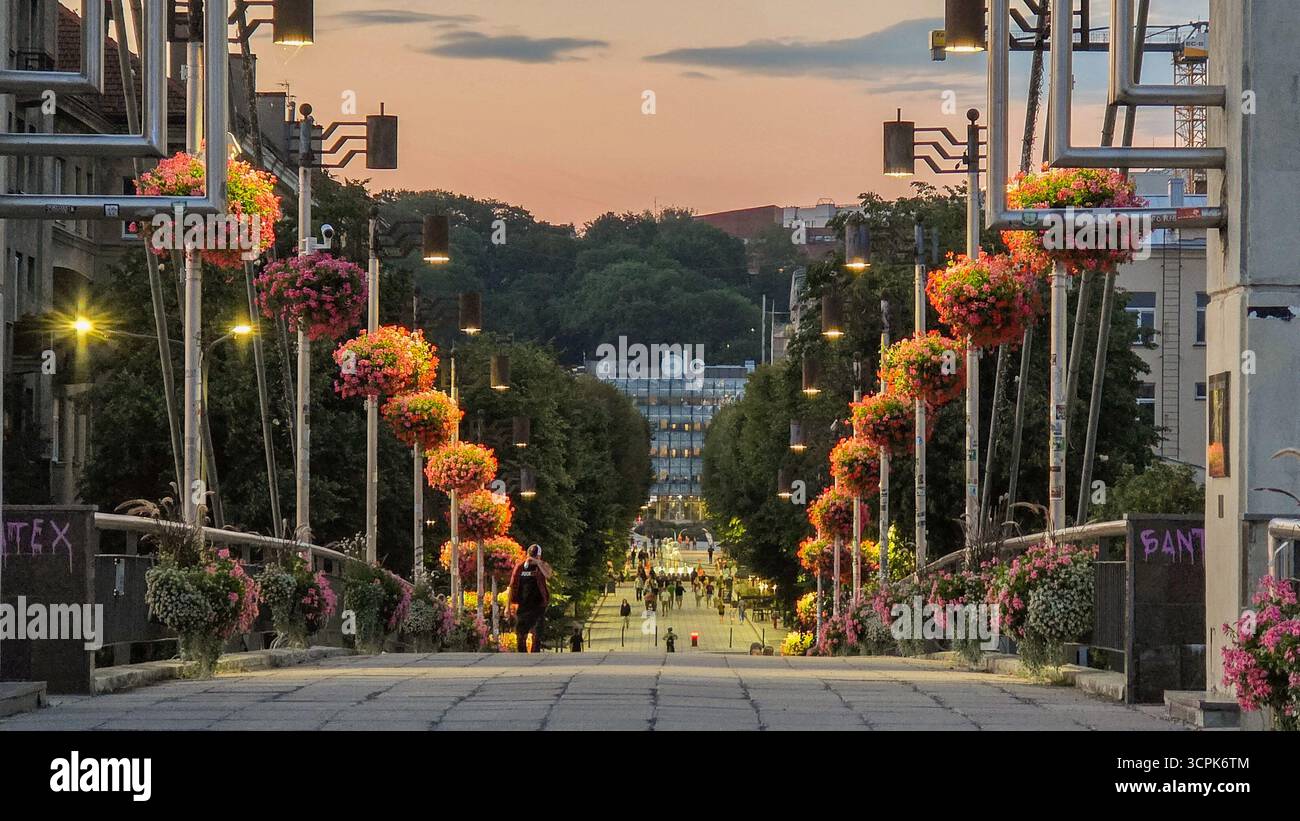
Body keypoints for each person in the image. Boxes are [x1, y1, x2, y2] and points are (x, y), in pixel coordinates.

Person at [507, 544, 552, 653]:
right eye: (531, 556)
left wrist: (538, 563)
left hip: (539, 605)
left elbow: (548, 575)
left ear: (539, 557)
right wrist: (507, 607)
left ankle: (534, 654)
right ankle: (522, 655)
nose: (532, 558)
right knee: (521, 634)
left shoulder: (542, 565)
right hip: (523, 605)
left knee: (536, 634)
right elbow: (512, 586)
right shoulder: (520, 567)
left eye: (535, 556)